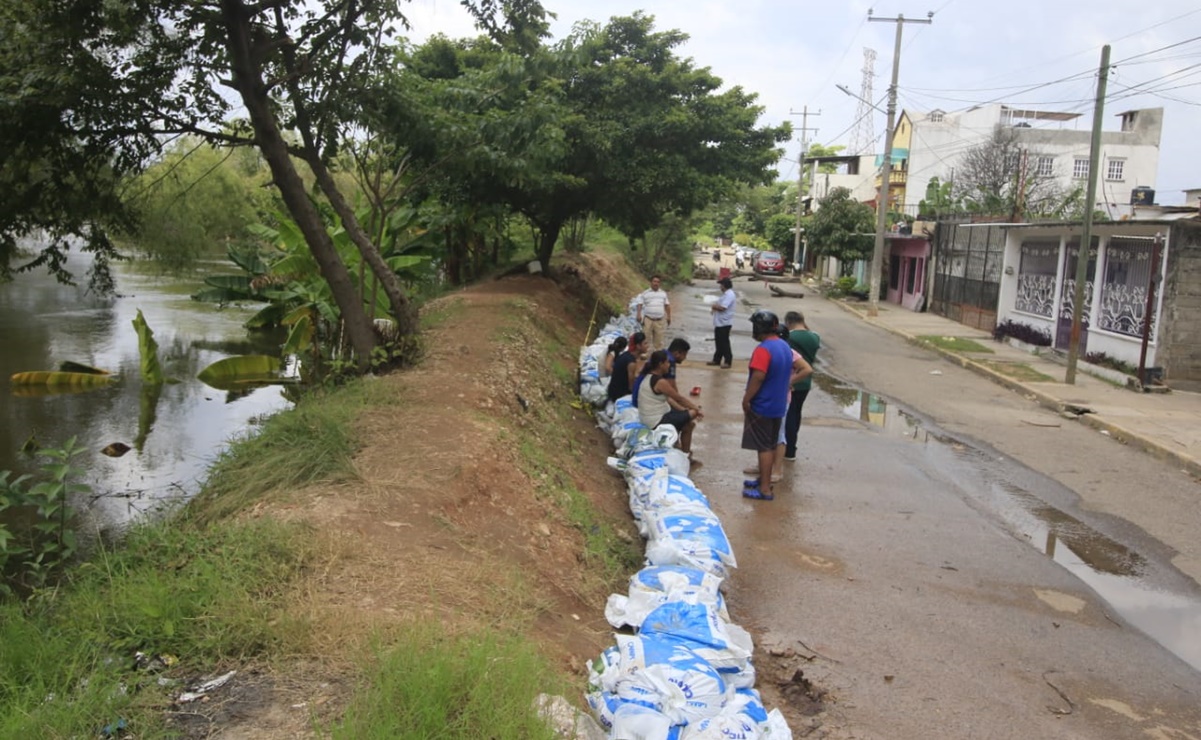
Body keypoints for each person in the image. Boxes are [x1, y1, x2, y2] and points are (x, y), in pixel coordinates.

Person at [740, 310, 804, 501]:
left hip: (763, 405)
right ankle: (763, 480)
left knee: (764, 447)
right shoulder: (784, 346)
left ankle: (765, 489)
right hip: (779, 404)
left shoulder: (764, 349)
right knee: (771, 443)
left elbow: (759, 376)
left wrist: (747, 399)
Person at [634, 350, 703, 456]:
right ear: (660, 364)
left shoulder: (649, 377)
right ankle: (685, 454)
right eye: (667, 362)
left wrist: (683, 411)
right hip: (655, 421)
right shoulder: (660, 382)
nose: (669, 365)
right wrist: (696, 410)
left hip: (651, 417)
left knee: (688, 425)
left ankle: (685, 453)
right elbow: (679, 398)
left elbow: (669, 400)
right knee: (692, 414)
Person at [783, 310, 820, 462]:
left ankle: (789, 450)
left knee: (789, 416)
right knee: (796, 414)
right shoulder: (815, 337)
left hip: (792, 379)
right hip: (806, 381)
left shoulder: (790, 337)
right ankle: (792, 446)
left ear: (789, 322)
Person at [607, 332, 647, 402]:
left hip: (613, 391)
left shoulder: (626, 355)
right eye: (645, 344)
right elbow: (631, 387)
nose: (647, 346)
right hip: (619, 395)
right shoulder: (631, 363)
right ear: (638, 346)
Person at [635, 275, 671, 352]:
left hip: (659, 320)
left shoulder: (663, 294)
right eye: (654, 281)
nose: (656, 283)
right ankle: (644, 353)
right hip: (648, 319)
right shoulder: (645, 293)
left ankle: (658, 355)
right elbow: (640, 304)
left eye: (658, 282)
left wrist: (669, 316)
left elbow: (667, 305)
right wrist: (638, 314)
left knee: (659, 339)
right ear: (651, 282)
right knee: (646, 338)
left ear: (660, 283)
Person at [707, 277, 736, 368]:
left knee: (724, 342)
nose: (720, 287)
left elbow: (723, 307)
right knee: (719, 342)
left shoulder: (729, 295)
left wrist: (714, 306)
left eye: (721, 285)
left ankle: (728, 360)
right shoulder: (725, 294)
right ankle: (717, 359)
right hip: (720, 322)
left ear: (724, 285)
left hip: (725, 323)